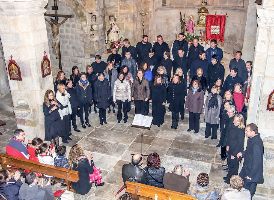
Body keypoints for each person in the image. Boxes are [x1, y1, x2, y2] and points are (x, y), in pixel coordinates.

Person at [238, 123, 264, 197]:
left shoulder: (256, 144)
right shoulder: (251, 139)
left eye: (247, 131)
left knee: (248, 194)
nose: (245, 132)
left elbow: (257, 162)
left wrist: (250, 175)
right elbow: (249, 151)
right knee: (241, 188)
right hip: (247, 169)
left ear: (253, 132)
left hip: (251, 174)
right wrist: (242, 153)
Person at [224, 114, 245, 183]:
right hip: (230, 149)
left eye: (237, 121)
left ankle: (231, 181)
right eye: (234, 120)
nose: (234, 122)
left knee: (233, 168)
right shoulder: (233, 126)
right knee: (229, 165)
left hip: (235, 152)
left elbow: (240, 144)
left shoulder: (241, 131)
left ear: (240, 122)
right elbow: (229, 137)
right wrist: (227, 145)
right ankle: (228, 177)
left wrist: (234, 154)